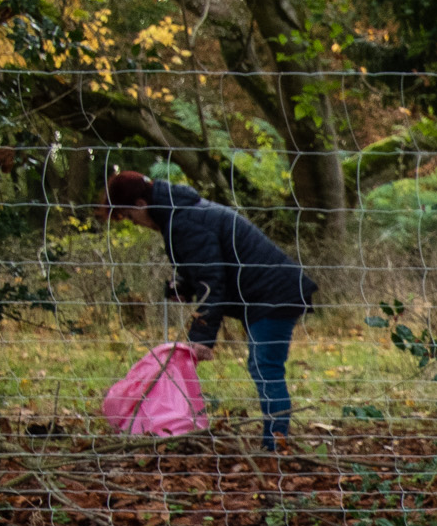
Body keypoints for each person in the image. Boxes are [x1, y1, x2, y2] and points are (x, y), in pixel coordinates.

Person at [104, 170, 319, 448]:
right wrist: (183, 284)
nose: (137, 224)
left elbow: (211, 279)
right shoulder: (178, 213)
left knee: (265, 366)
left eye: (131, 217)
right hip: (261, 294)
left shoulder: (183, 220)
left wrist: (202, 338)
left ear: (140, 205)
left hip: (273, 293)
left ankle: (276, 446)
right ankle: (274, 442)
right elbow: (206, 264)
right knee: (262, 365)